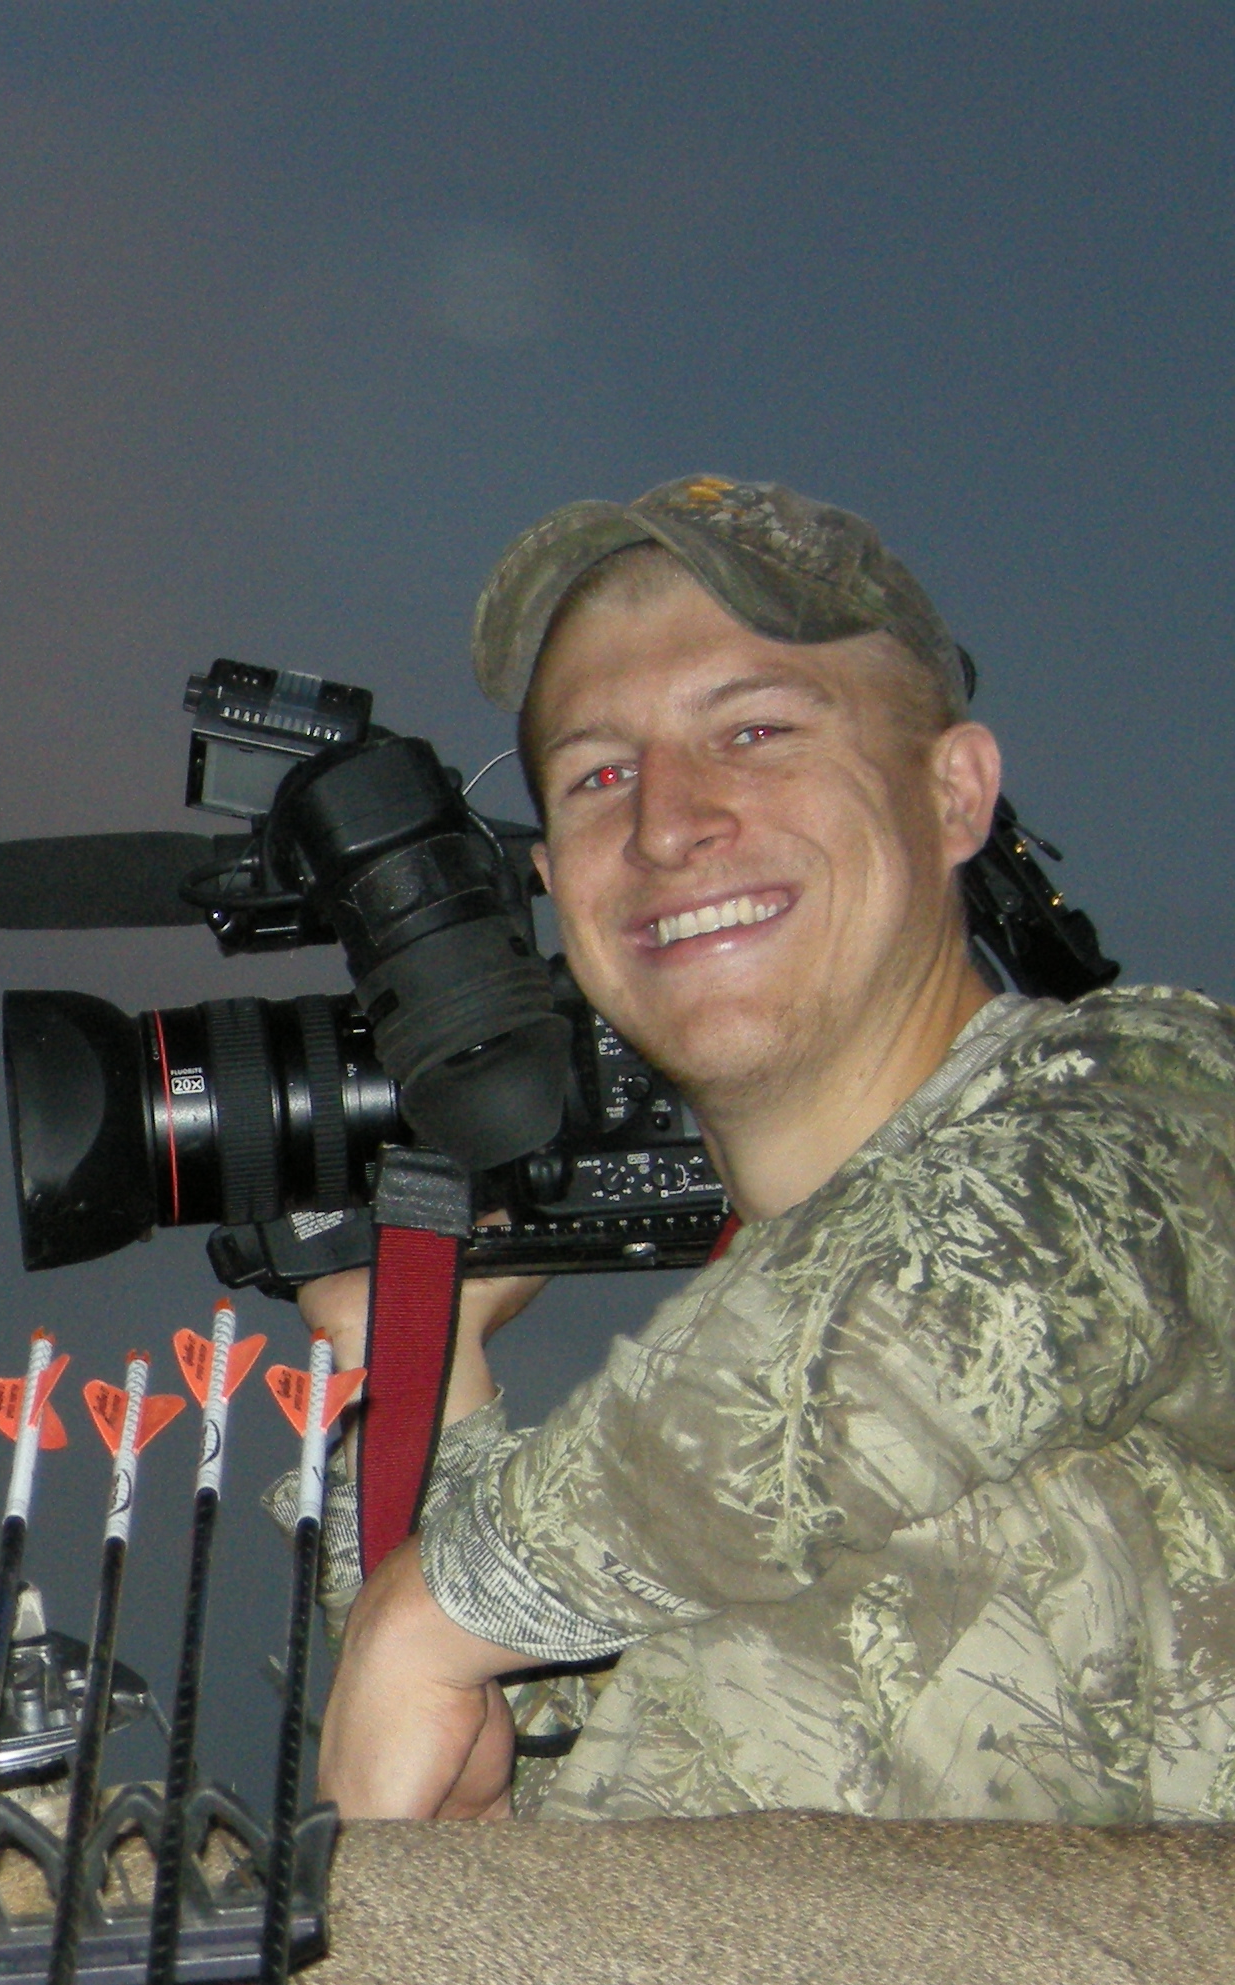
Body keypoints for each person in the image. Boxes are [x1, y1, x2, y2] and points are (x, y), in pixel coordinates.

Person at [315, 478, 1235, 1825]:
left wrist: (441, 1612)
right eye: (599, 776)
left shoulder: (1160, 1103)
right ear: (555, 883)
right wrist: (414, 1366)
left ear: (955, 795)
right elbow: (515, 1794)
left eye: (754, 732)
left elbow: (958, 1314)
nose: (666, 824)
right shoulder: (710, 1464)